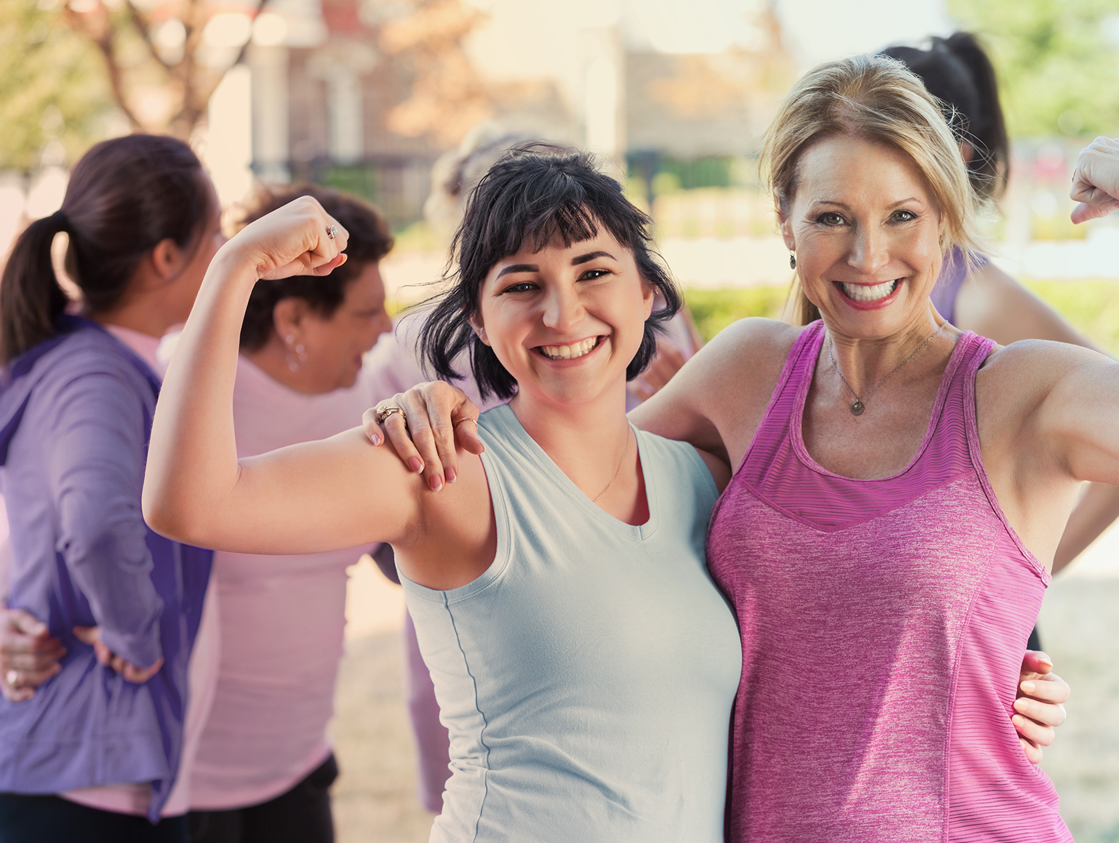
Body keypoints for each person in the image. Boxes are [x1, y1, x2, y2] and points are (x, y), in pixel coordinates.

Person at [370, 55, 1119, 840]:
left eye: (904, 216)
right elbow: (576, 500)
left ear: (947, 220)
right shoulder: (744, 373)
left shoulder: (1018, 392)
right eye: (832, 217)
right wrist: (440, 413)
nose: (867, 254)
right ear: (786, 222)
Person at [142, 147, 743, 841]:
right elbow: (190, 502)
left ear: (647, 293)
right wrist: (233, 268)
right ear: (479, 322)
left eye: (594, 271)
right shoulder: (443, 471)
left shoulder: (706, 478)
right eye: (522, 285)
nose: (562, 310)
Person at [0, 134, 221, 840]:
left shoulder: (97, 362)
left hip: (97, 776)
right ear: (165, 256)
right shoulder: (94, 376)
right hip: (83, 787)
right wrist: (136, 631)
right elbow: (94, 523)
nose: (221, 251)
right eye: (214, 235)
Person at [885, 32, 1119, 581]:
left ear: (955, 157)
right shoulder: (851, 279)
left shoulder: (978, 296)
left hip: (969, 632)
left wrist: (1020, 580)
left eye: (889, 138)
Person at [182, 185, 394, 843]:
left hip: (298, 769)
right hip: (185, 783)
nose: (385, 329)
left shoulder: (369, 399)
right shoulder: (188, 396)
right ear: (294, 319)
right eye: (367, 312)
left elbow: (397, 548)